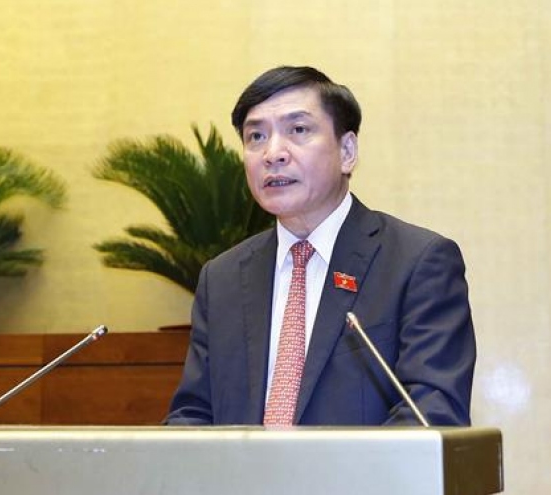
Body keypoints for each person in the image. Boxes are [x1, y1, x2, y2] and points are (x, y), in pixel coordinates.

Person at [164, 66, 476, 426]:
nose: (273, 153)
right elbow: (193, 414)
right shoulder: (222, 279)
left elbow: (431, 413)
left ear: (347, 151)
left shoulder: (417, 262)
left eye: (298, 130)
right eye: (256, 136)